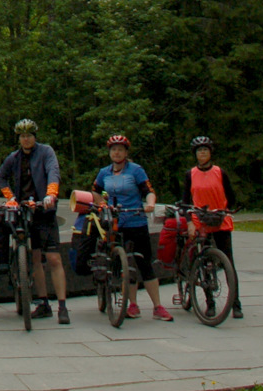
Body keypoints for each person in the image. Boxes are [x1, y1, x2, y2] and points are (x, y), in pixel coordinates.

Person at [93, 134, 173, 321]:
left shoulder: (136, 170)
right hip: (115, 223)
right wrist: (102, 205)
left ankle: (157, 306)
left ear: (126, 152)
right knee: (123, 264)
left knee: (144, 263)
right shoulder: (104, 172)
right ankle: (133, 305)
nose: (117, 153)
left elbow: (148, 191)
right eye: (114, 149)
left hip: (136, 220)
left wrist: (150, 204)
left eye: (120, 149)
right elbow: (95, 192)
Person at [0, 119, 69, 324]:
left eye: (29, 135)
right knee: (35, 259)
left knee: (54, 259)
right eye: (22, 136)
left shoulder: (46, 152)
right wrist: (10, 197)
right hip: (25, 212)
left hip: (44, 210)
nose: (26, 139)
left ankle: (62, 306)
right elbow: (1, 177)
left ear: (35, 137)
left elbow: (53, 172)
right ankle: (43, 302)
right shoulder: (14, 158)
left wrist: (50, 194)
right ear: (19, 139)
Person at [182, 135, 243, 319]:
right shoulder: (190, 174)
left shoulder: (220, 172)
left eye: (205, 150)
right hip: (201, 222)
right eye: (199, 150)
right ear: (195, 154)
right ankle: (210, 303)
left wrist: (228, 209)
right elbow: (185, 202)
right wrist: (190, 222)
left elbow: (230, 196)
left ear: (210, 153)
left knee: (228, 264)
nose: (202, 153)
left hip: (220, 219)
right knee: (205, 263)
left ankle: (236, 304)